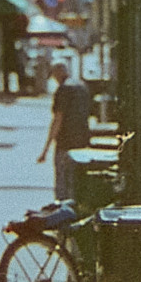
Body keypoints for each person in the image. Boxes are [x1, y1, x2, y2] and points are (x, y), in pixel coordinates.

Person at [38, 60, 93, 199]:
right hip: (82, 140)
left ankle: (62, 208)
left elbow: (58, 119)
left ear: (57, 73)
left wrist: (46, 149)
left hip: (65, 141)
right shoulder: (82, 87)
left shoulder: (63, 90)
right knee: (77, 178)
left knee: (62, 179)